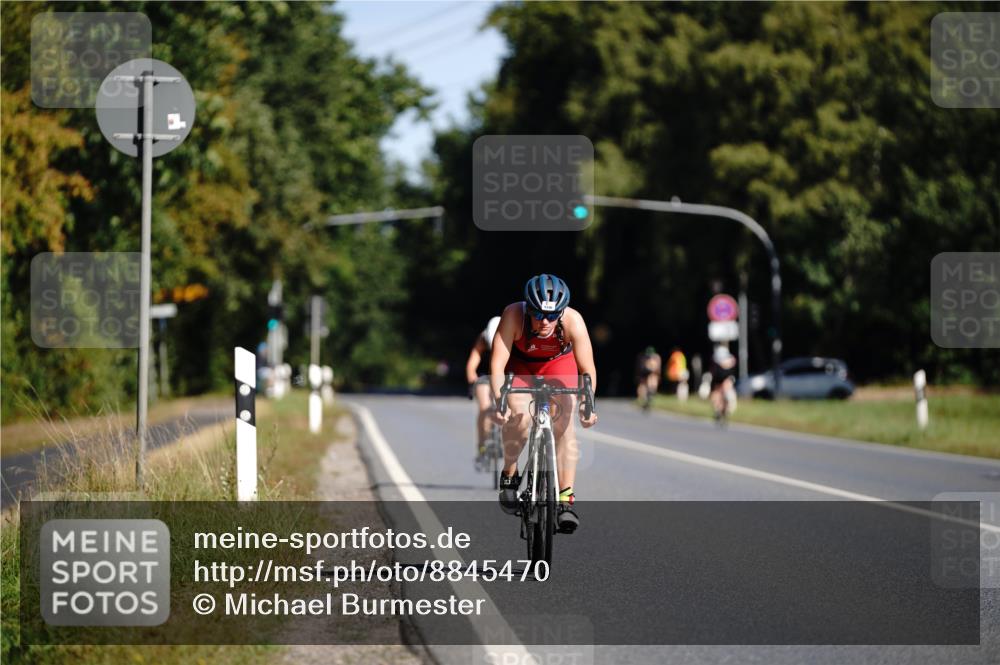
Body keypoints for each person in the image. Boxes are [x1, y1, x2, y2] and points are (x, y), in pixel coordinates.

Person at [491, 274, 598, 533]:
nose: (546, 321)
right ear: (528, 309)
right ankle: (509, 473)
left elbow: (587, 370)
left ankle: (565, 499)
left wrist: (587, 405)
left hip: (558, 365)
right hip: (521, 366)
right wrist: (499, 402)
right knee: (520, 416)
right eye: (539, 315)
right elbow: (496, 365)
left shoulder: (574, 320)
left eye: (553, 316)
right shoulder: (513, 315)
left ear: (562, 312)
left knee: (564, 422)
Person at [464, 316, 502, 468]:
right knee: (485, 407)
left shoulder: (512, 336)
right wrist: (472, 379)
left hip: (502, 375)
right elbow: (472, 364)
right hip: (484, 376)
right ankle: (482, 444)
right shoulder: (483, 339)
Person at [708, 344, 737, 422]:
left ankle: (726, 411)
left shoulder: (731, 365)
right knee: (716, 395)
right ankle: (718, 411)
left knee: (728, 396)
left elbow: (729, 380)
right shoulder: (716, 367)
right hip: (718, 383)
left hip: (727, 383)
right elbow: (715, 381)